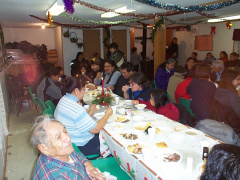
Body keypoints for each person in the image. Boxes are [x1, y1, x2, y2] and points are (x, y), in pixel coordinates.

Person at [31, 116, 105, 180]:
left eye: (65, 131)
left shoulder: (62, 150)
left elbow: (76, 153)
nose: (68, 138)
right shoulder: (56, 177)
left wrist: (88, 165)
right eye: (58, 137)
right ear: (44, 148)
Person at [54, 76, 113, 156]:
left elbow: (77, 121)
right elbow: (96, 129)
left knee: (104, 134)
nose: (84, 92)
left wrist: (90, 112)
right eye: (84, 90)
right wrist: (107, 114)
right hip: (81, 146)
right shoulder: (76, 108)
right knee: (111, 142)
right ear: (76, 90)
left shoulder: (63, 99)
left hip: (70, 140)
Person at [213, 69, 240, 133]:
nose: (239, 82)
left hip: (221, 120)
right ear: (230, 79)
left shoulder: (218, 89)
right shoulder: (231, 94)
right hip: (232, 123)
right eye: (238, 79)